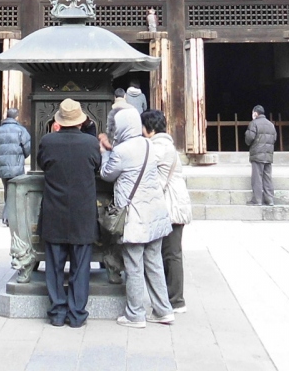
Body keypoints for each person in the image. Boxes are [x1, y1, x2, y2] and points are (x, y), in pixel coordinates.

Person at [101, 106, 174, 328]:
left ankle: (135, 314)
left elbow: (107, 174)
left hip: (135, 216)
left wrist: (104, 153)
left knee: (133, 265)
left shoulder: (121, 151)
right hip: (155, 214)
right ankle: (163, 310)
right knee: (154, 263)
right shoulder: (149, 144)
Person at [37, 98, 101, 328]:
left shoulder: (48, 141)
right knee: (81, 267)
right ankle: (76, 314)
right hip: (83, 212)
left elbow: (42, 164)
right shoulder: (91, 143)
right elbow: (97, 166)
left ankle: (56, 313)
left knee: (54, 266)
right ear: (81, 121)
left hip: (54, 210)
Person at [142, 109, 191, 313]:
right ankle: (170, 298)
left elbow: (155, 181)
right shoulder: (164, 145)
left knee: (171, 254)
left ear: (149, 128)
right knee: (169, 253)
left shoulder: (158, 148)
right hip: (174, 204)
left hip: (170, 206)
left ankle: (175, 300)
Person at [0, 107, 31, 226]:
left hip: (2, 165)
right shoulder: (21, 130)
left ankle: (9, 216)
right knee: (14, 190)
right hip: (17, 165)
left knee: (7, 189)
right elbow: (27, 148)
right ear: (16, 117)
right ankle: (8, 216)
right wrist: (22, 157)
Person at [244, 105, 277, 207]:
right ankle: (270, 200)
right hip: (268, 154)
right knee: (267, 177)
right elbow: (274, 138)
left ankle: (257, 200)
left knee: (257, 177)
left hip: (257, 154)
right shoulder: (271, 124)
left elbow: (249, 138)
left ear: (255, 113)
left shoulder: (254, 123)